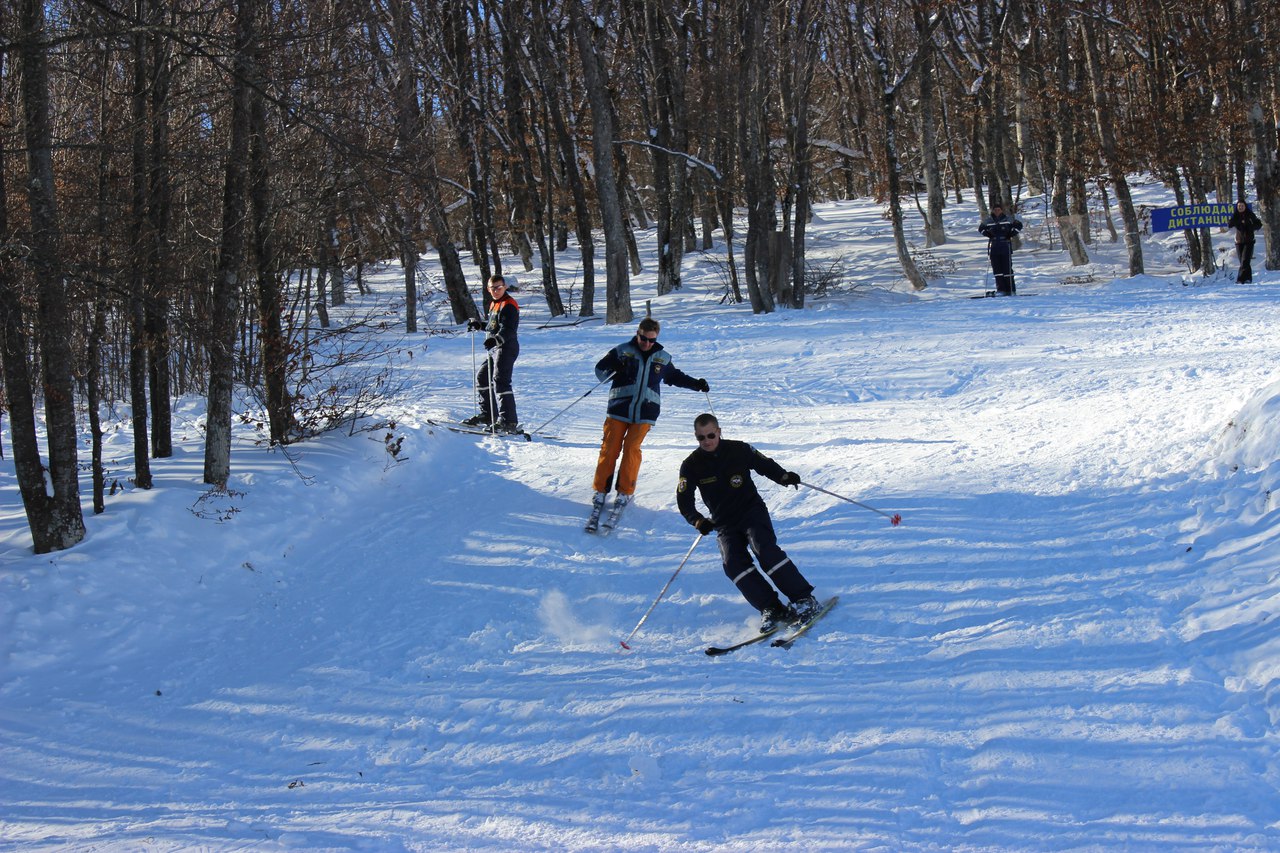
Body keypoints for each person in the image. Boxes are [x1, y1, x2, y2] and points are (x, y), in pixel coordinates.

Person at [676, 413, 820, 633]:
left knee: (764, 549)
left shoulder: (739, 450)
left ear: (719, 432)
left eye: (711, 435)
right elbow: (684, 501)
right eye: (701, 437)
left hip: (751, 512)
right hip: (724, 523)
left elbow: (763, 464)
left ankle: (804, 599)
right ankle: (772, 608)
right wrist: (697, 520)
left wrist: (783, 477)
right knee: (732, 564)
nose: (707, 441)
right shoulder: (691, 465)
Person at [588, 317, 708, 525]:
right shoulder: (623, 350)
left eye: (652, 340)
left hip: (645, 413)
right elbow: (600, 371)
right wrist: (613, 366)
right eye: (644, 339)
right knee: (610, 448)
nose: (647, 343)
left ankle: (625, 491)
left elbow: (675, 377)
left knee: (631, 450)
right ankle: (600, 490)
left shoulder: (662, 357)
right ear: (638, 333)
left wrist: (696, 384)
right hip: (618, 409)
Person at [463, 275, 520, 432]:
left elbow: (508, 329)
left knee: (501, 380)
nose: (495, 291)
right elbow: (492, 326)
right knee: (482, 377)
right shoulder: (495, 304)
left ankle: (508, 421)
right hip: (496, 349)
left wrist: (496, 340)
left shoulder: (509, 305)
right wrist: (478, 325)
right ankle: (488, 415)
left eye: (499, 287)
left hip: (506, 348)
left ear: (505, 287)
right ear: (488, 289)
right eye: (492, 288)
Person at [979, 201, 1024, 296]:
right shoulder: (989, 220)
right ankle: (1001, 289)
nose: (997, 211)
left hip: (1005, 245)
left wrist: (1011, 234)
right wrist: (988, 235)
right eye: (995, 210)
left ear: (1002, 210)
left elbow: (1019, 226)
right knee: (997, 269)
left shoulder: (1007, 219)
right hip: (994, 246)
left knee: (1007, 268)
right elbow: (981, 229)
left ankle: (1011, 289)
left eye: (998, 209)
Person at [1227, 200, 1263, 283]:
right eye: (1239, 206)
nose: (1240, 207)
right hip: (1239, 241)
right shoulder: (1235, 215)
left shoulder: (1250, 215)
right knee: (1243, 262)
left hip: (1249, 240)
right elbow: (1230, 224)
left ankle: (1240, 279)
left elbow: (1258, 224)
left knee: (1245, 260)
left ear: (1245, 206)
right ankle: (1248, 279)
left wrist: (1251, 226)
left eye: (1242, 206)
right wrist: (1239, 221)